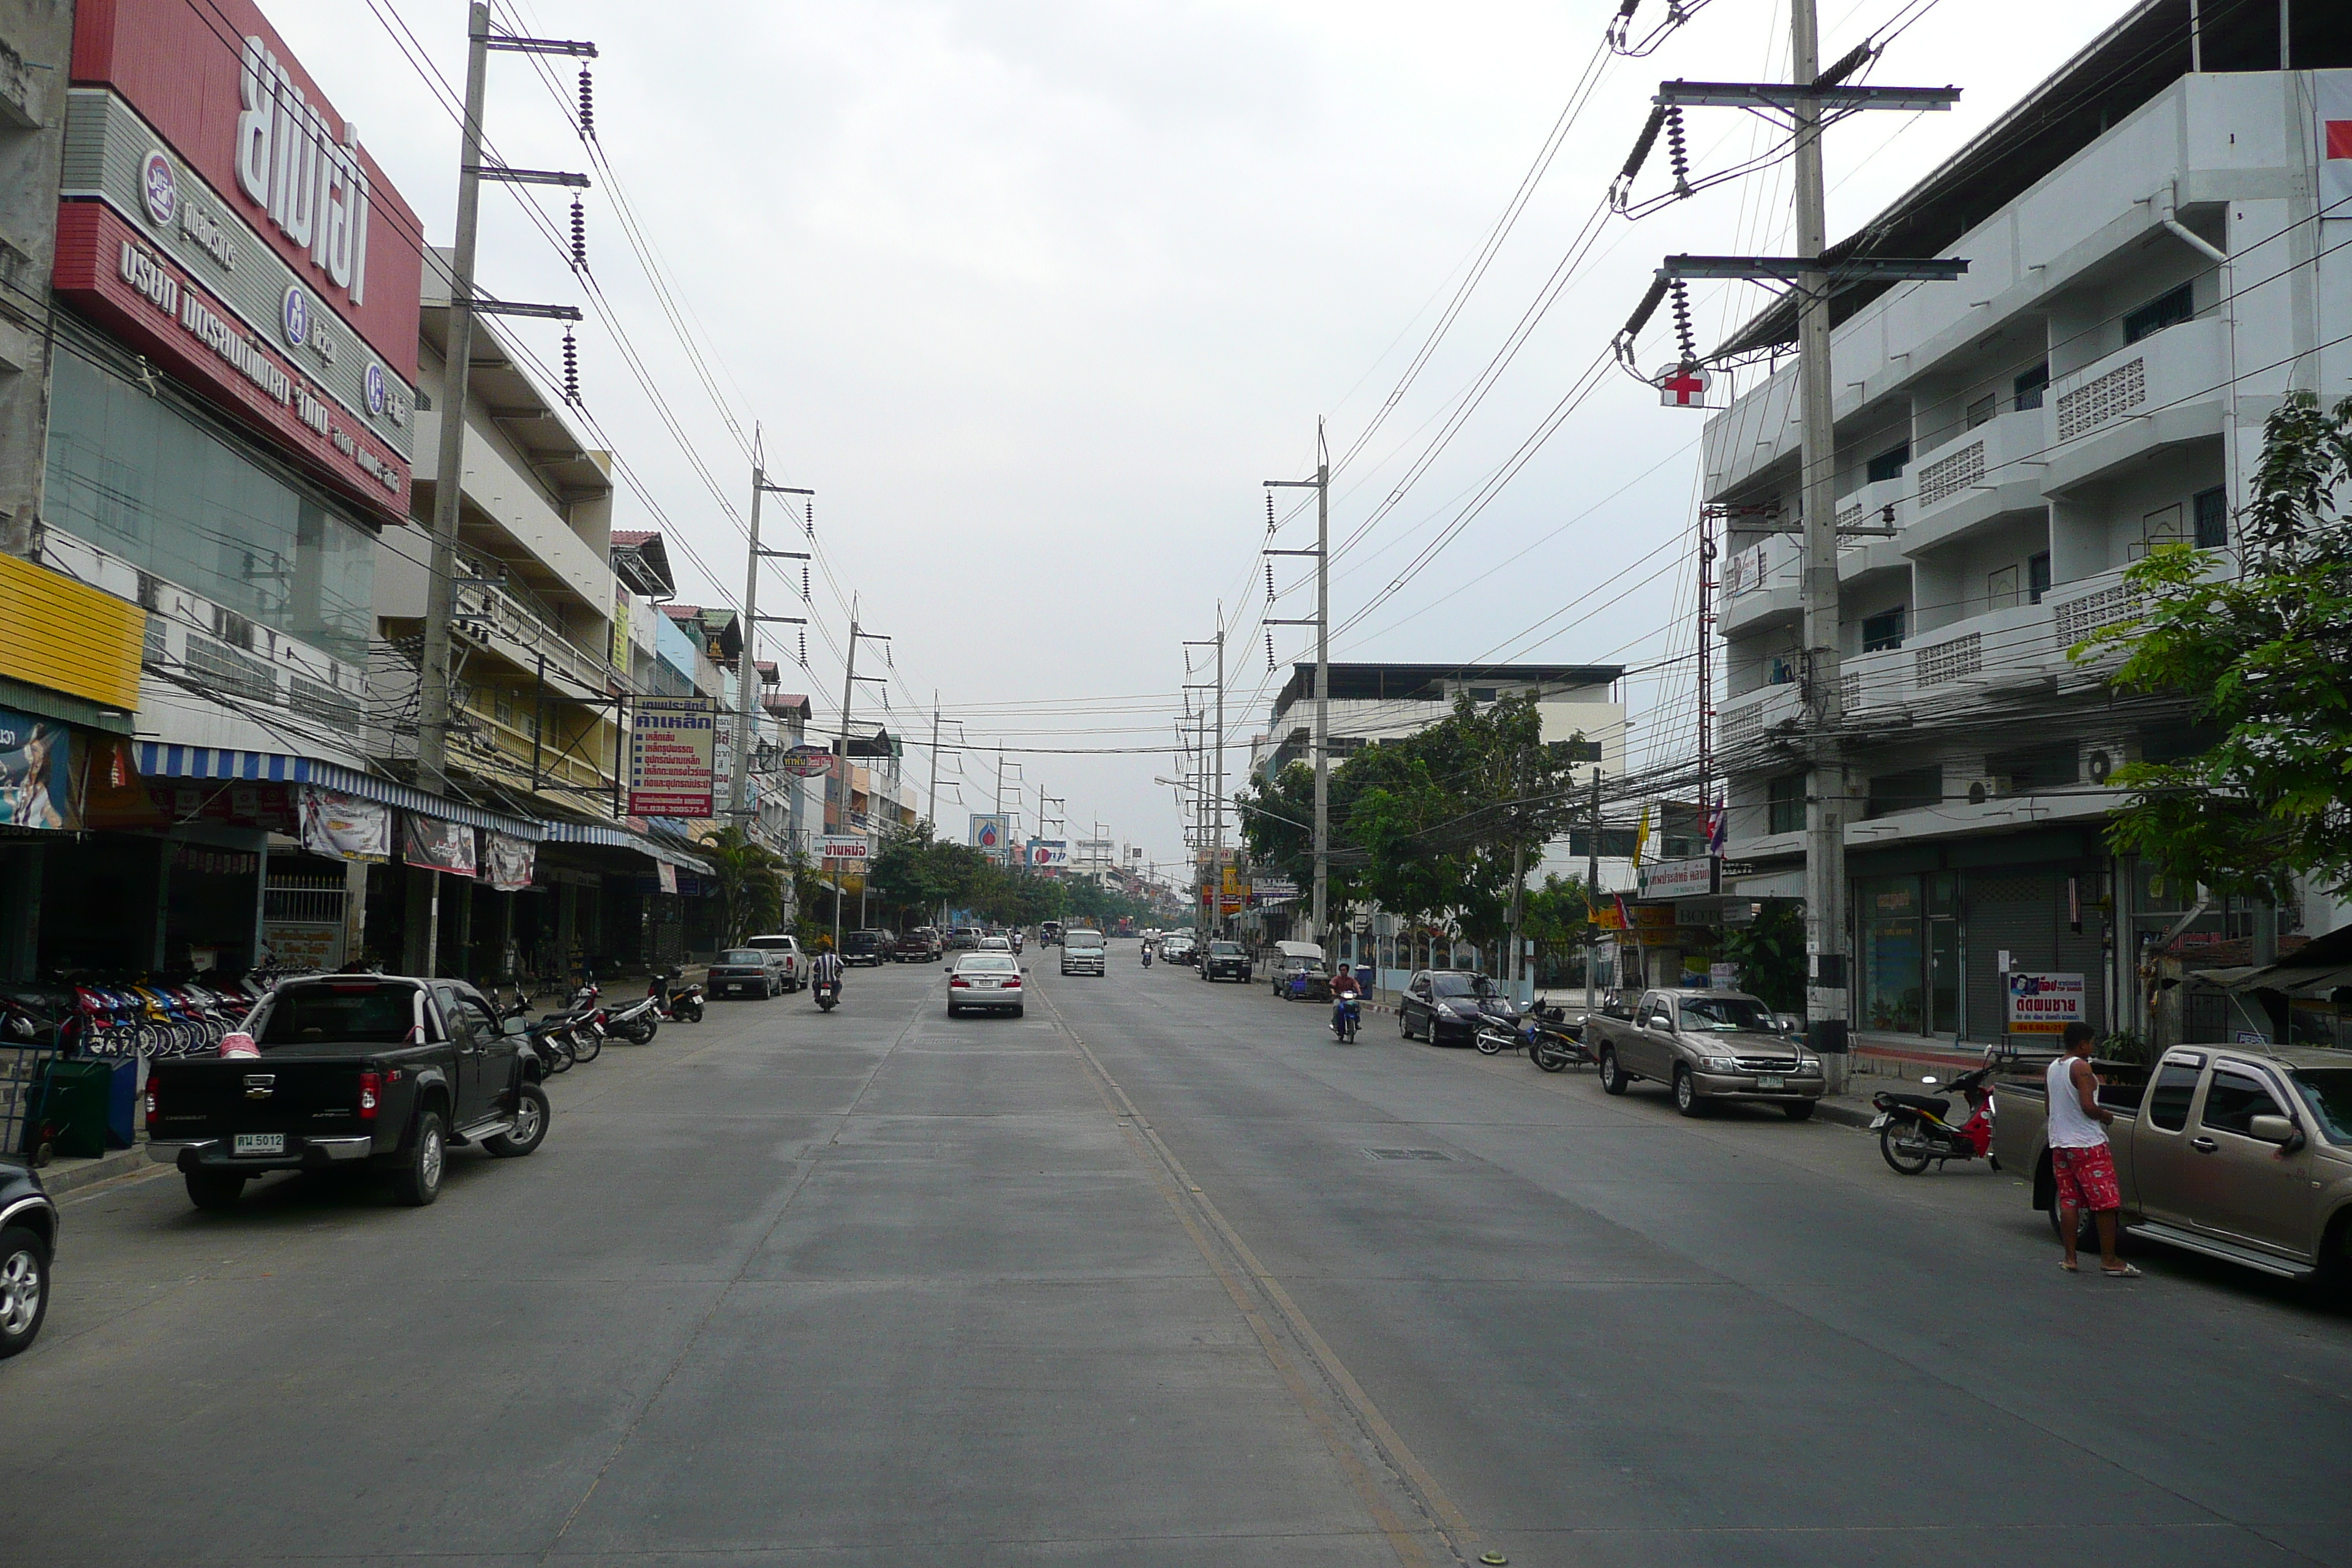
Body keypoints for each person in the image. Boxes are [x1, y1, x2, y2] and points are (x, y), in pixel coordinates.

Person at [2048, 1019, 2138, 1277]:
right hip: (2087, 1145)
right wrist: (2106, 1115)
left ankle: (2070, 1258)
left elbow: (2048, 1107)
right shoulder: (2082, 1068)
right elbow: (2088, 1106)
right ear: (2082, 1044)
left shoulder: (2053, 1068)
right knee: (2106, 1204)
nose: (2093, 1047)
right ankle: (2109, 1259)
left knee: (2069, 1200)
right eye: (2091, 1042)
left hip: (2060, 1144)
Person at [1329, 964, 1362, 1033]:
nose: (1342, 972)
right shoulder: (1336, 979)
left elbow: (1356, 985)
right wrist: (1333, 992)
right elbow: (1332, 986)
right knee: (1336, 1006)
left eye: (1344, 970)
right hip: (1339, 998)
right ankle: (1335, 1023)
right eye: (1341, 970)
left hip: (1349, 999)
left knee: (1357, 1006)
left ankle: (1356, 1022)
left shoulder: (1351, 979)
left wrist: (1359, 992)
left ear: (1347, 971)